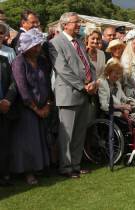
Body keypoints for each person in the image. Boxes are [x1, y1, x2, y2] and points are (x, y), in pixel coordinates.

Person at [49, 12, 97, 179]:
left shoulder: (79, 42)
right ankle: (66, 167)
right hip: (69, 95)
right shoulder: (55, 43)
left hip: (84, 94)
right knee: (67, 135)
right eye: (76, 22)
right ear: (65, 25)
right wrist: (83, 87)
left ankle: (76, 165)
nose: (79, 25)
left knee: (79, 133)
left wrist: (93, 82)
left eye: (79, 22)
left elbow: (89, 65)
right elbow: (63, 70)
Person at [10, 28, 51, 185]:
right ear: (27, 47)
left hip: (42, 106)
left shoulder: (41, 61)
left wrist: (47, 104)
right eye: (35, 45)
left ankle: (41, 167)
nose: (38, 48)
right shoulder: (19, 62)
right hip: (26, 108)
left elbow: (47, 82)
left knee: (41, 138)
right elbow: (22, 88)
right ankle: (28, 173)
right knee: (28, 141)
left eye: (39, 45)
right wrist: (36, 108)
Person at [0, 54, 17, 186]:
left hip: (5, 109)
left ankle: (4, 175)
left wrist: (7, 100)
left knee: (4, 144)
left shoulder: (4, 60)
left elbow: (13, 82)